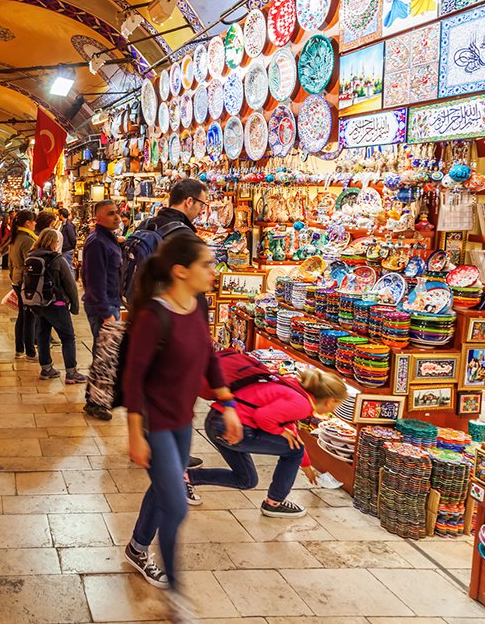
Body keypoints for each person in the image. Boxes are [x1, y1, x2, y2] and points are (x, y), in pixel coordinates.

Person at [121, 232, 239, 623]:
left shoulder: (198, 304)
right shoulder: (154, 316)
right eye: (206, 264)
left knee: (164, 487)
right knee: (176, 505)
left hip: (182, 422)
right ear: (180, 271)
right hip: (155, 425)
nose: (213, 271)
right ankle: (176, 595)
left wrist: (228, 404)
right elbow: (133, 380)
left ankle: (137, 547)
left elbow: (209, 357)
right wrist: (134, 434)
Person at [189, 360, 346, 517]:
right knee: (294, 451)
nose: (336, 408)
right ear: (330, 401)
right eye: (339, 404)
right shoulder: (303, 405)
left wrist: (306, 466)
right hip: (231, 426)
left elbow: (293, 436)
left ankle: (186, 478)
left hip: (218, 420)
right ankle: (275, 503)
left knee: (246, 480)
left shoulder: (296, 389)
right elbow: (263, 417)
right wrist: (280, 431)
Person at [26, 229, 86, 384]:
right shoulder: (57, 259)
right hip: (56, 303)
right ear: (54, 242)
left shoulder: (31, 256)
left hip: (38, 304)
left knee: (43, 336)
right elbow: (70, 285)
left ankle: (46, 369)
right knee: (68, 337)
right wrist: (75, 306)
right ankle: (71, 372)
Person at [81, 200, 122, 421]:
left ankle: (100, 398)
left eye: (117, 213)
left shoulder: (107, 238)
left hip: (108, 303)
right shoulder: (97, 241)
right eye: (111, 214)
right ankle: (94, 402)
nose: (117, 217)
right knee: (103, 356)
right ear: (98, 218)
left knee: (107, 354)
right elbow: (94, 282)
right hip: (103, 307)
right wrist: (107, 314)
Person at [9, 210, 38, 362]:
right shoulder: (27, 240)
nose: (35, 224)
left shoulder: (16, 237)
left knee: (22, 316)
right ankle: (30, 353)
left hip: (17, 279)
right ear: (28, 223)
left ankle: (19, 349)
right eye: (34, 221)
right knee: (29, 318)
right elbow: (31, 264)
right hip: (25, 282)